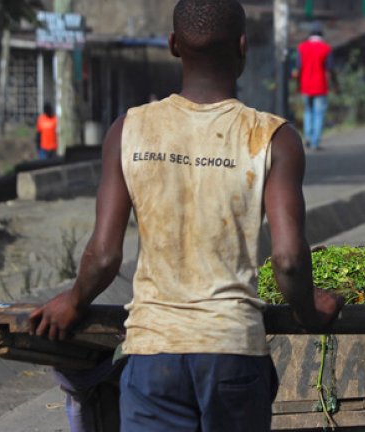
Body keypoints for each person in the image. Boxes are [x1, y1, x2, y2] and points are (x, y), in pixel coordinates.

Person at [28, 1, 344, 431]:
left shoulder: (129, 129)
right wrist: (309, 311)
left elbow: (103, 256)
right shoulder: (274, 137)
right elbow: (289, 260)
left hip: (154, 353)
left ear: (173, 45)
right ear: (243, 46)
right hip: (233, 351)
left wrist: (74, 300)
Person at [292, 22, 335, 151]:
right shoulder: (326, 49)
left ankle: (308, 138)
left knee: (308, 112)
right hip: (320, 86)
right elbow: (329, 69)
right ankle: (316, 141)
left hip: (305, 86)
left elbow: (298, 68)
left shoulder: (302, 48)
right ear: (321, 34)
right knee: (319, 113)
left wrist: (297, 84)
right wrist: (334, 85)